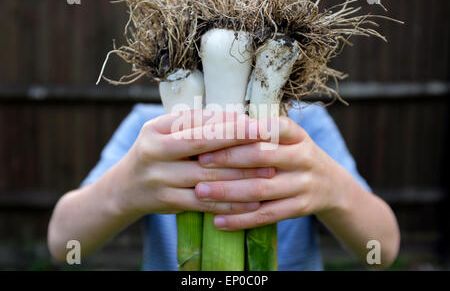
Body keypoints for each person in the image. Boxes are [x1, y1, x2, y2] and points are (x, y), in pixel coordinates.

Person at [47, 102, 400, 270]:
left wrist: (335, 190)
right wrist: (123, 189)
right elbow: (64, 244)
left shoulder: (308, 125)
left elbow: (382, 249)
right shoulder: (148, 128)